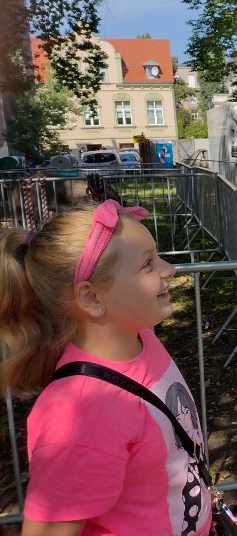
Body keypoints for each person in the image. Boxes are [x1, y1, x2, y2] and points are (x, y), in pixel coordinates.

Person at [0, 200, 212, 536]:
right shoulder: (77, 418)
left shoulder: (139, 337)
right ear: (92, 298)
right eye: (147, 265)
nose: (168, 269)